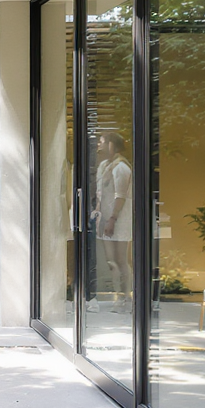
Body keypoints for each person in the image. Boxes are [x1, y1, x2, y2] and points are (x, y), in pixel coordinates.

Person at [93, 131, 133, 313]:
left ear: (111, 145)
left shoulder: (121, 168)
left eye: (102, 142)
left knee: (121, 259)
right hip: (105, 218)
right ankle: (118, 294)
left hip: (119, 219)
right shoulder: (104, 166)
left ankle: (126, 296)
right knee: (111, 260)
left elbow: (120, 196)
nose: (99, 145)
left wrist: (112, 219)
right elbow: (100, 193)